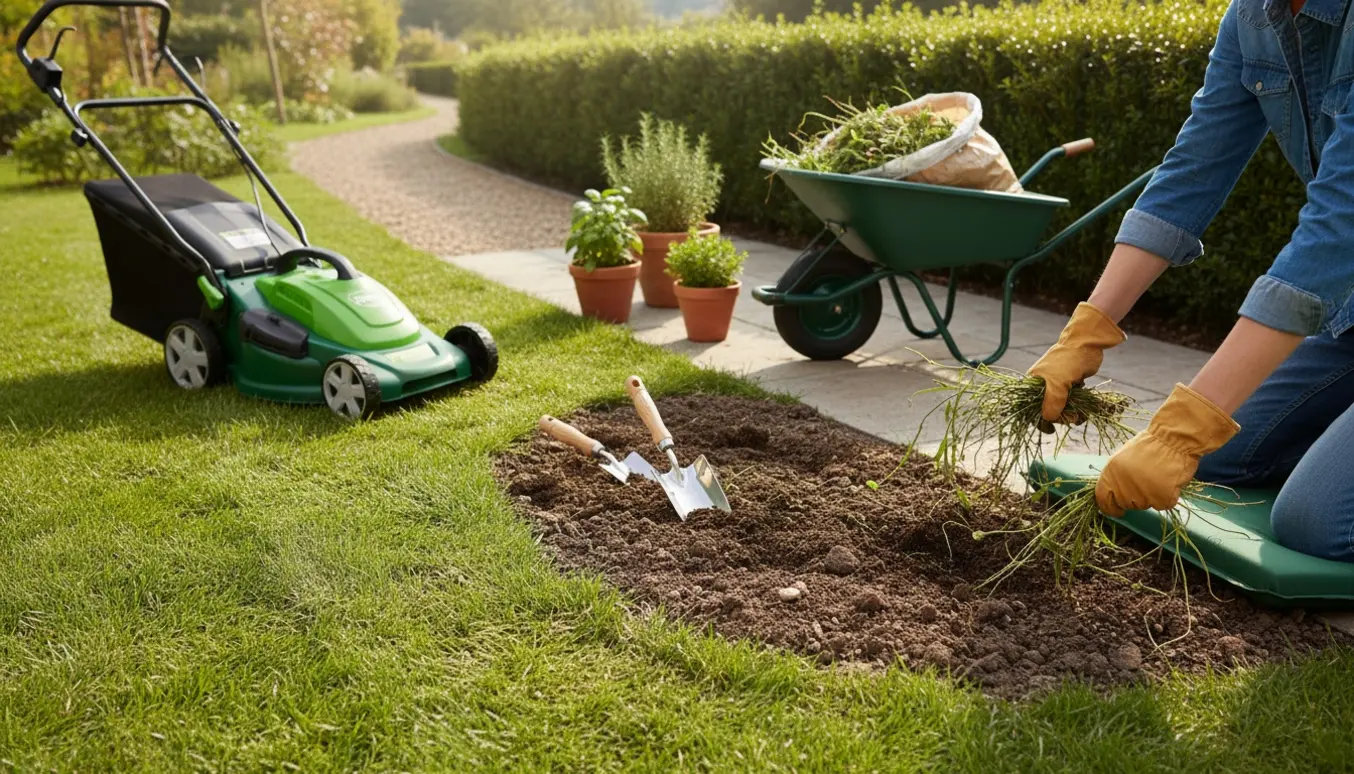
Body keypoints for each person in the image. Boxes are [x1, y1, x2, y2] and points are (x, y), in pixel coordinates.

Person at [1029, 0, 1354, 560]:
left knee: (1316, 523)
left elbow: (1340, 225)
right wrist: (1087, 329)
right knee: (1221, 455)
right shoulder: (1254, 17)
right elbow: (1189, 173)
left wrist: (1185, 426)